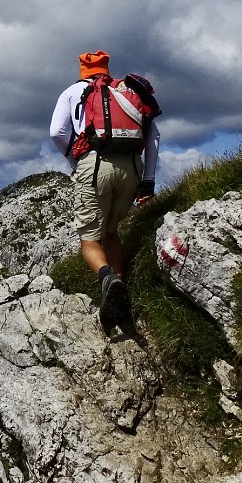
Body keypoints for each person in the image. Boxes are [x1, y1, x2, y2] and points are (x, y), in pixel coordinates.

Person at [49, 50, 160, 332]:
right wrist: (148, 179)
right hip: (132, 169)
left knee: (89, 239)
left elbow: (56, 132)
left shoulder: (73, 92)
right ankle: (120, 296)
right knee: (111, 231)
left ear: (82, 70)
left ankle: (107, 277)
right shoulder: (125, 90)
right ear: (107, 69)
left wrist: (75, 160)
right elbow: (153, 135)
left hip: (95, 165)